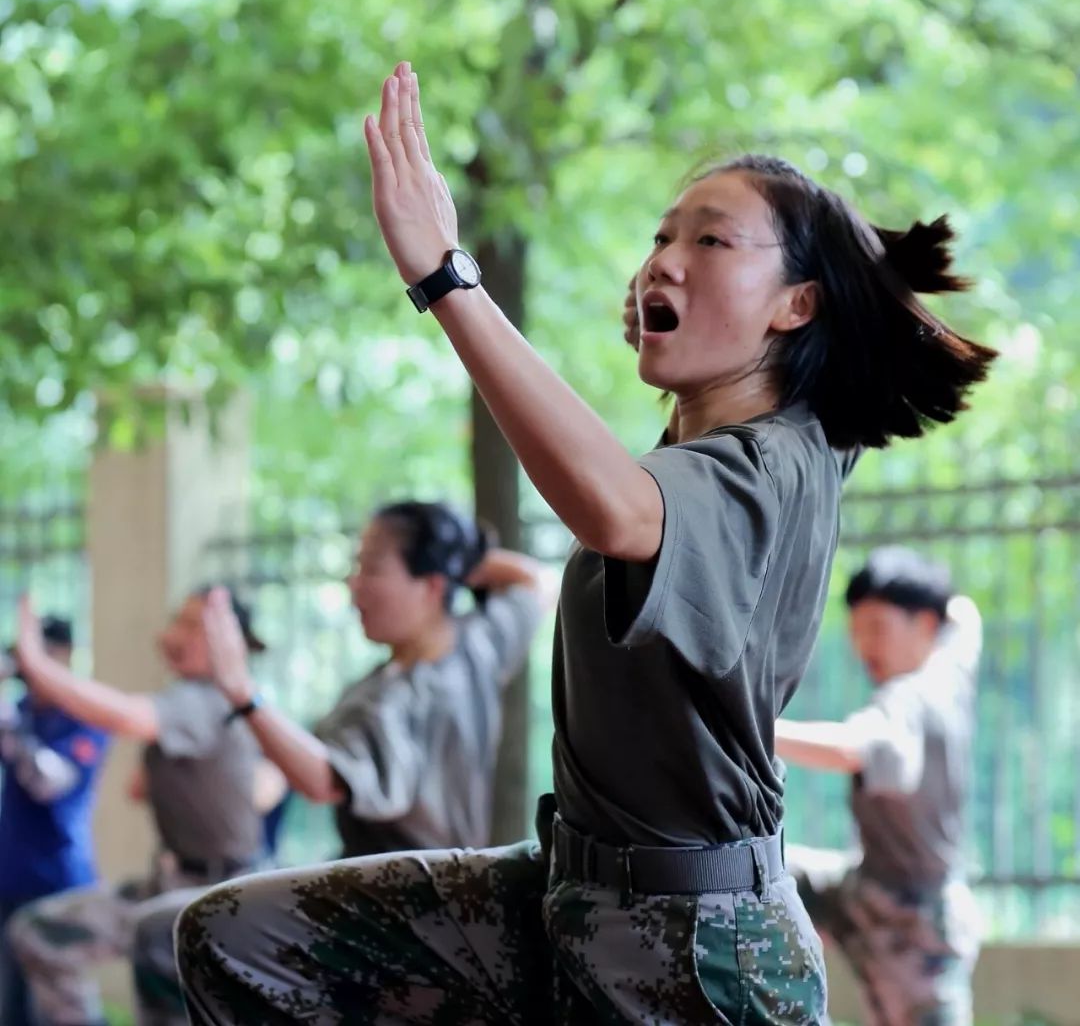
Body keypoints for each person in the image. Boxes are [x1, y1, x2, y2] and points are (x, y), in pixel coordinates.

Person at [175, 62, 997, 1025]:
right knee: (240, 939)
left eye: (711, 239)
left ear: (796, 305)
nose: (664, 259)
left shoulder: (774, 464)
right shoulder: (702, 449)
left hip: (698, 944)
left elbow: (615, 510)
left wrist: (446, 277)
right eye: (660, 237)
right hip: (560, 887)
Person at [128, 500, 556, 1023]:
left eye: (371, 567)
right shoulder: (477, 644)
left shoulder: (401, 698)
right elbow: (532, 579)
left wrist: (242, 693)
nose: (354, 585)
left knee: (170, 930)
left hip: (401, 909)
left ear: (432, 587)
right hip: (450, 900)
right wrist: (455, 555)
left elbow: (324, 780)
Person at [8, 588, 284, 1026]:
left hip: (222, 894)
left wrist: (39, 665)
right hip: (168, 881)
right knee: (39, 932)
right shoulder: (188, 701)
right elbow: (137, 787)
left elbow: (124, 716)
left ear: (233, 643)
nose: (175, 634)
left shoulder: (209, 700)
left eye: (194, 626)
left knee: (156, 950)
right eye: (180, 620)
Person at [775, 548, 983, 1025]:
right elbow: (965, 615)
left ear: (925, 625)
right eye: (857, 629)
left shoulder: (910, 700)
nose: (864, 645)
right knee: (775, 872)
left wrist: (760, 731)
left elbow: (854, 747)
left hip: (917, 931)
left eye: (879, 629)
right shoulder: (950, 662)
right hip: (865, 892)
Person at [0, 617, 110, 1026]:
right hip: (10, 874)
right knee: (11, 1007)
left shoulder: (85, 717)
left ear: (61, 655)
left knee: (62, 1007)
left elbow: (48, 784)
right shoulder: (21, 710)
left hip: (59, 879)